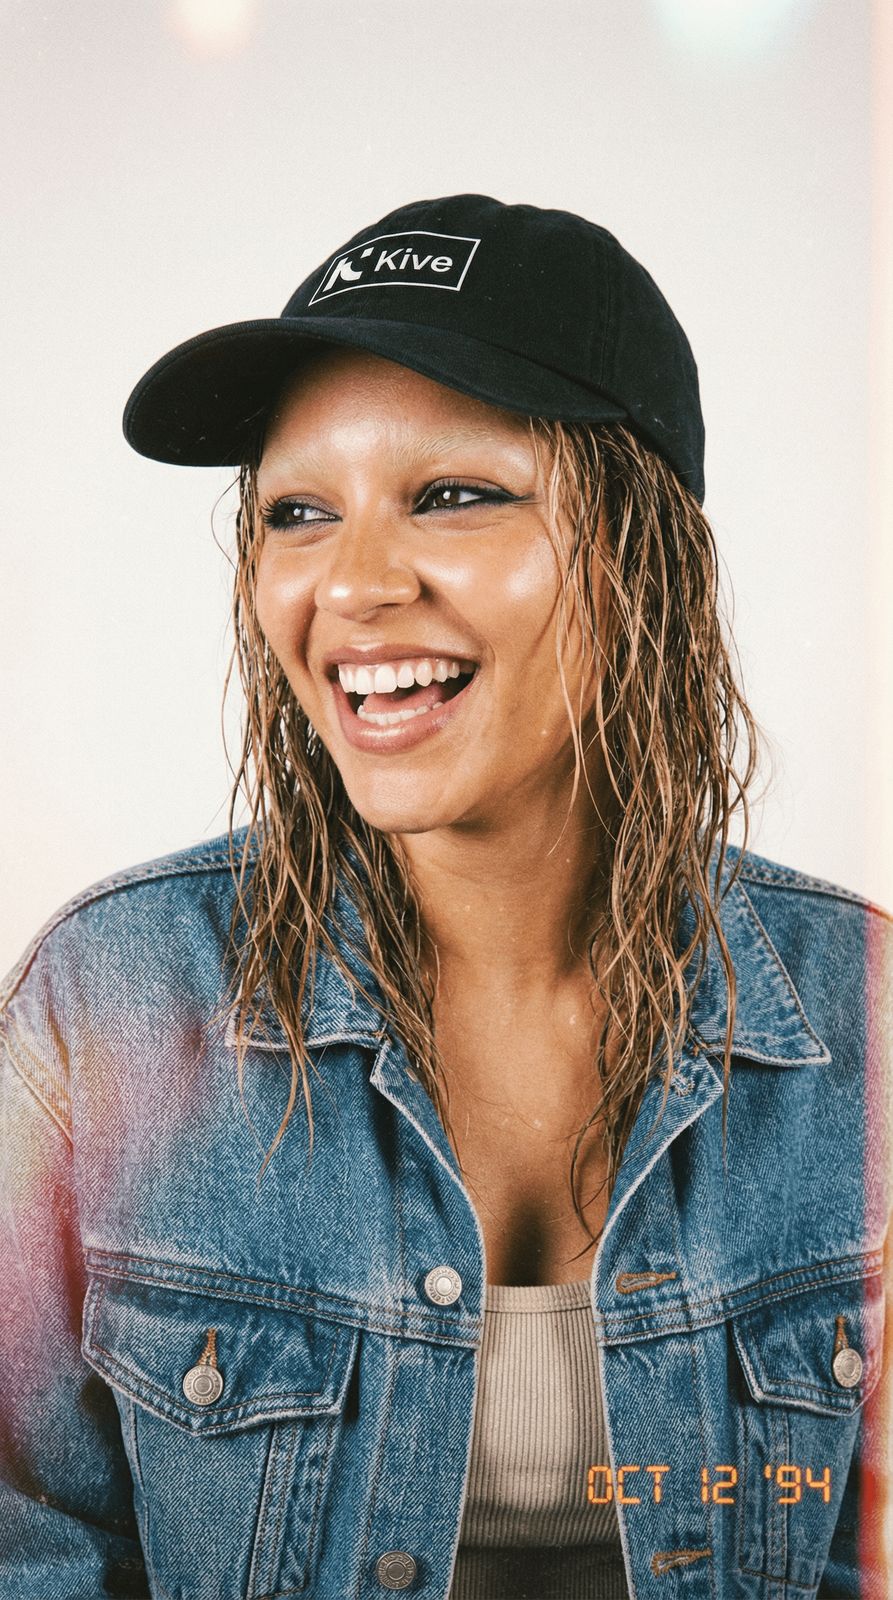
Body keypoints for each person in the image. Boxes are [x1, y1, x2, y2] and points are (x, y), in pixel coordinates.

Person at [0, 193, 890, 1600]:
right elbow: (28, 1544)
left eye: (454, 495)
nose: (352, 585)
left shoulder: (866, 1018)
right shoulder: (107, 996)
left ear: (641, 550)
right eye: (298, 513)